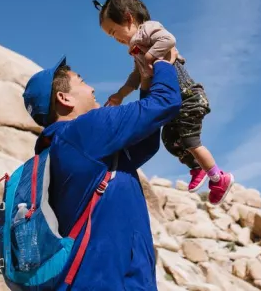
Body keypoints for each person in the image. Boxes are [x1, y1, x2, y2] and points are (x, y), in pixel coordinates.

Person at [21, 51, 181, 290]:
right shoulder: (82, 132)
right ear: (65, 98)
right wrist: (162, 63)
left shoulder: (64, 146)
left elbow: (146, 142)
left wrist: (146, 80)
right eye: (83, 82)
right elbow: (165, 103)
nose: (93, 88)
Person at [92, 0, 234, 206]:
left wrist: (150, 57)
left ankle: (218, 177)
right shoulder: (135, 49)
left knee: (189, 139)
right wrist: (120, 95)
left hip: (188, 96)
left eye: (114, 32)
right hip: (174, 102)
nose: (116, 39)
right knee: (169, 139)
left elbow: (168, 39)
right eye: (111, 36)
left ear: (129, 18)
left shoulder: (148, 29)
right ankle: (196, 167)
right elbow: (136, 77)